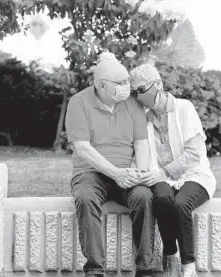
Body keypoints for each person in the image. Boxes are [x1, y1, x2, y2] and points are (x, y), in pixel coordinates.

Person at [65, 52, 156, 277]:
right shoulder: (79, 102)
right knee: (85, 199)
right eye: (121, 83)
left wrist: (140, 172)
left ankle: (144, 268)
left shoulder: (132, 103)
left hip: (126, 172)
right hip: (90, 172)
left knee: (144, 197)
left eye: (127, 81)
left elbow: (141, 143)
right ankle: (95, 269)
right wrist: (115, 173)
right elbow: (82, 148)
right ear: (102, 85)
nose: (127, 87)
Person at [130, 64, 216, 277]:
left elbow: (194, 153)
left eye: (141, 89)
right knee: (160, 198)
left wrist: (164, 173)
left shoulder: (184, 108)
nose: (138, 96)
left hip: (194, 174)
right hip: (162, 177)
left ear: (158, 84)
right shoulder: (144, 117)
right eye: (135, 92)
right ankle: (171, 254)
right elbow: (140, 152)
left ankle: (188, 266)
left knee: (180, 204)